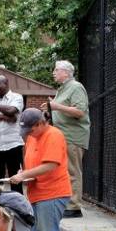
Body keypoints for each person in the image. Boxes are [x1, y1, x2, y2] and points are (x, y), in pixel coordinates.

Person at [10, 108, 71, 231]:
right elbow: (34, 166)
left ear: (39, 123)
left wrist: (23, 175)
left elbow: (50, 165)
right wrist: (26, 174)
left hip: (52, 194)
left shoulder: (54, 135)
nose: (28, 134)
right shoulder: (32, 137)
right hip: (38, 192)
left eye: (30, 130)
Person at [41, 60, 90, 218]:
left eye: (56, 70)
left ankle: (74, 207)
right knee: (63, 171)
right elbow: (61, 111)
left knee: (72, 171)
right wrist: (49, 111)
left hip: (73, 137)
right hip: (62, 136)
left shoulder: (76, 87)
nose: (53, 73)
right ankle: (67, 204)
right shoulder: (62, 89)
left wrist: (56, 107)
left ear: (66, 73)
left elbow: (79, 112)